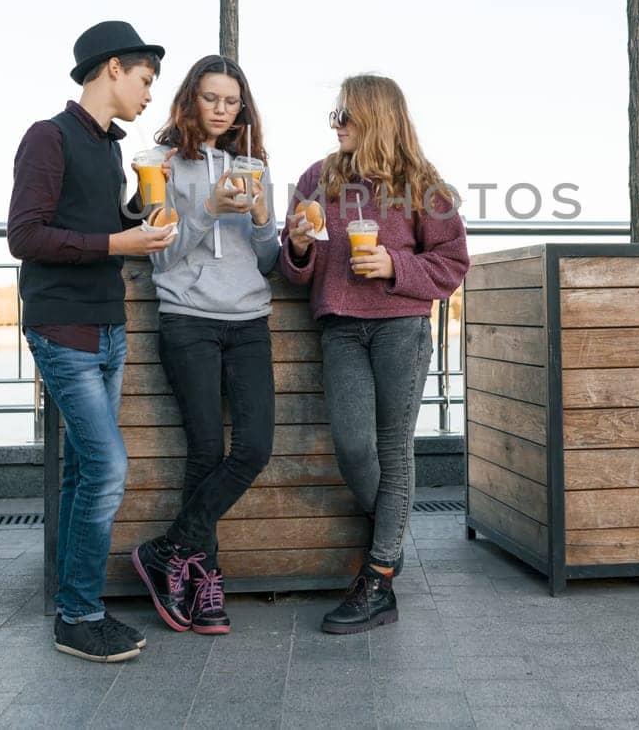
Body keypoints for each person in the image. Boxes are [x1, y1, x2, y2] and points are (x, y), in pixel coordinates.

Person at [7, 20, 172, 664]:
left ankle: (74, 608)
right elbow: (26, 236)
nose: (149, 93)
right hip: (63, 327)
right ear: (111, 69)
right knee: (107, 467)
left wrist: (136, 214)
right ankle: (79, 613)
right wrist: (118, 243)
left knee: (83, 470)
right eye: (145, 79)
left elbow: (99, 225)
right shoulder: (47, 138)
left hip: (109, 324)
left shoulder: (109, 148)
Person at [281, 74, 469, 634]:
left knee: (394, 448)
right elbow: (300, 268)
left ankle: (380, 574)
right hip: (340, 326)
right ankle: (389, 530)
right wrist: (294, 246)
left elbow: (453, 263)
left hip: (399, 328)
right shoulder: (317, 178)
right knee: (353, 445)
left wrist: (394, 265)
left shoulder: (423, 185)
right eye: (334, 115)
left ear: (378, 118)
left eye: (346, 114)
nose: (335, 124)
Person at [131, 55, 279, 636]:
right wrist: (208, 212)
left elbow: (267, 259)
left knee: (254, 448)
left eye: (231, 101)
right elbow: (160, 253)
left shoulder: (253, 165)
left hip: (248, 320)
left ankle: (168, 550)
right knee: (204, 453)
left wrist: (264, 215)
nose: (220, 110)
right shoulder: (159, 164)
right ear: (191, 99)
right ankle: (202, 585)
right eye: (210, 98)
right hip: (188, 319)